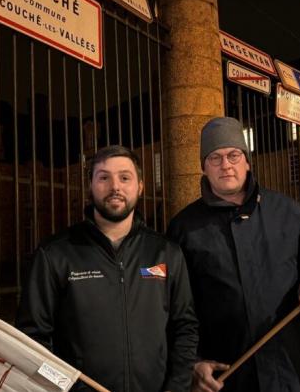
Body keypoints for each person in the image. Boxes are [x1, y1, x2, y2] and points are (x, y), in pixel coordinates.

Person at [167, 117, 300, 392]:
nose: (226, 165)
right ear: (204, 168)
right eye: (215, 158)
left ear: (247, 161)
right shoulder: (184, 227)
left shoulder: (287, 211)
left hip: (289, 365)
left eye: (234, 155)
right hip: (226, 370)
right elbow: (175, 304)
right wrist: (192, 362)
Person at [17, 145, 198, 392]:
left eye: (125, 177)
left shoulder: (166, 252)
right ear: (90, 186)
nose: (115, 186)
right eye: (103, 177)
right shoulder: (55, 254)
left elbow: (185, 328)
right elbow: (32, 340)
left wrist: (176, 388)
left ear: (140, 186)